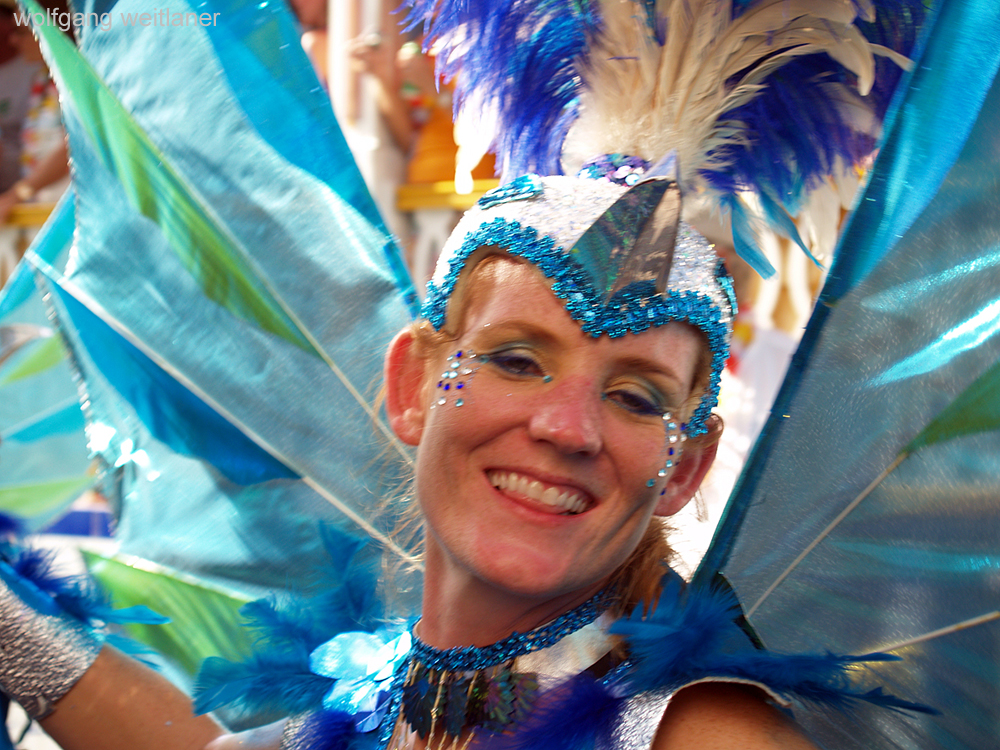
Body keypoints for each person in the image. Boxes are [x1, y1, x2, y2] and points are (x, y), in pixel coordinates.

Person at [0, 1, 941, 749]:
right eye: (517, 360)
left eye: (636, 396)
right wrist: (14, 627)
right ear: (411, 384)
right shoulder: (368, 702)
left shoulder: (703, 735)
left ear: (685, 467)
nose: (567, 426)